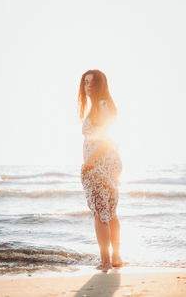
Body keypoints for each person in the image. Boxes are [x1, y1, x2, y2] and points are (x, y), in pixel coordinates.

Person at [77, 69, 122, 270]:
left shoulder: (102, 106)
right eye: (85, 83)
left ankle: (105, 261)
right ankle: (115, 258)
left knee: (99, 212)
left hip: (100, 164)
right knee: (110, 212)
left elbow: (106, 138)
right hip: (106, 163)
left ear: (100, 85)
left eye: (91, 83)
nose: (87, 87)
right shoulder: (101, 106)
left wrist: (90, 162)